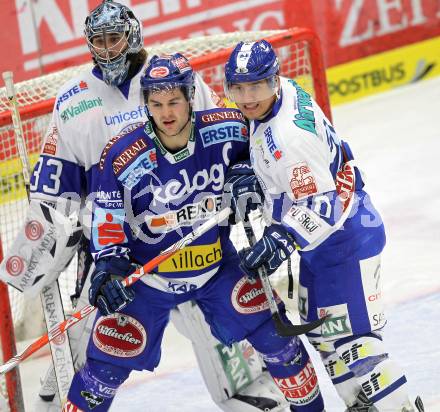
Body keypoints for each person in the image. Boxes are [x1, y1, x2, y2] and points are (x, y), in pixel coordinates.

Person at [0, 2, 287, 411]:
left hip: (192, 230)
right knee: (94, 345)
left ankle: (251, 395)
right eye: (98, 40)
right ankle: (53, 403)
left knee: (217, 325)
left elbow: (224, 136)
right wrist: (44, 244)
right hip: (119, 250)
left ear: (133, 35)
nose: (107, 48)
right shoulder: (73, 101)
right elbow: (56, 188)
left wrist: (244, 171)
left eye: (114, 38)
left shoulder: (175, 77)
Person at [63, 53, 327, 412]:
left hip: (216, 267)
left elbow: (265, 149)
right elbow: (107, 221)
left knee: (277, 340)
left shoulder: (229, 127)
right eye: (155, 104)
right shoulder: (121, 155)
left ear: (190, 97)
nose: (166, 112)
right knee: (102, 373)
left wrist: (247, 170)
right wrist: (109, 267)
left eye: (174, 101)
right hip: (149, 280)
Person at [223, 39, 425, 412]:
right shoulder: (283, 96)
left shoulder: (289, 138)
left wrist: (283, 236)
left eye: (255, 87)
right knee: (324, 336)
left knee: (354, 343)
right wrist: (257, 177)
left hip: (344, 240)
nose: (247, 97)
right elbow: (315, 174)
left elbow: (323, 203)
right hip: (325, 244)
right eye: (238, 88)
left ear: (273, 80)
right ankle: (361, 406)